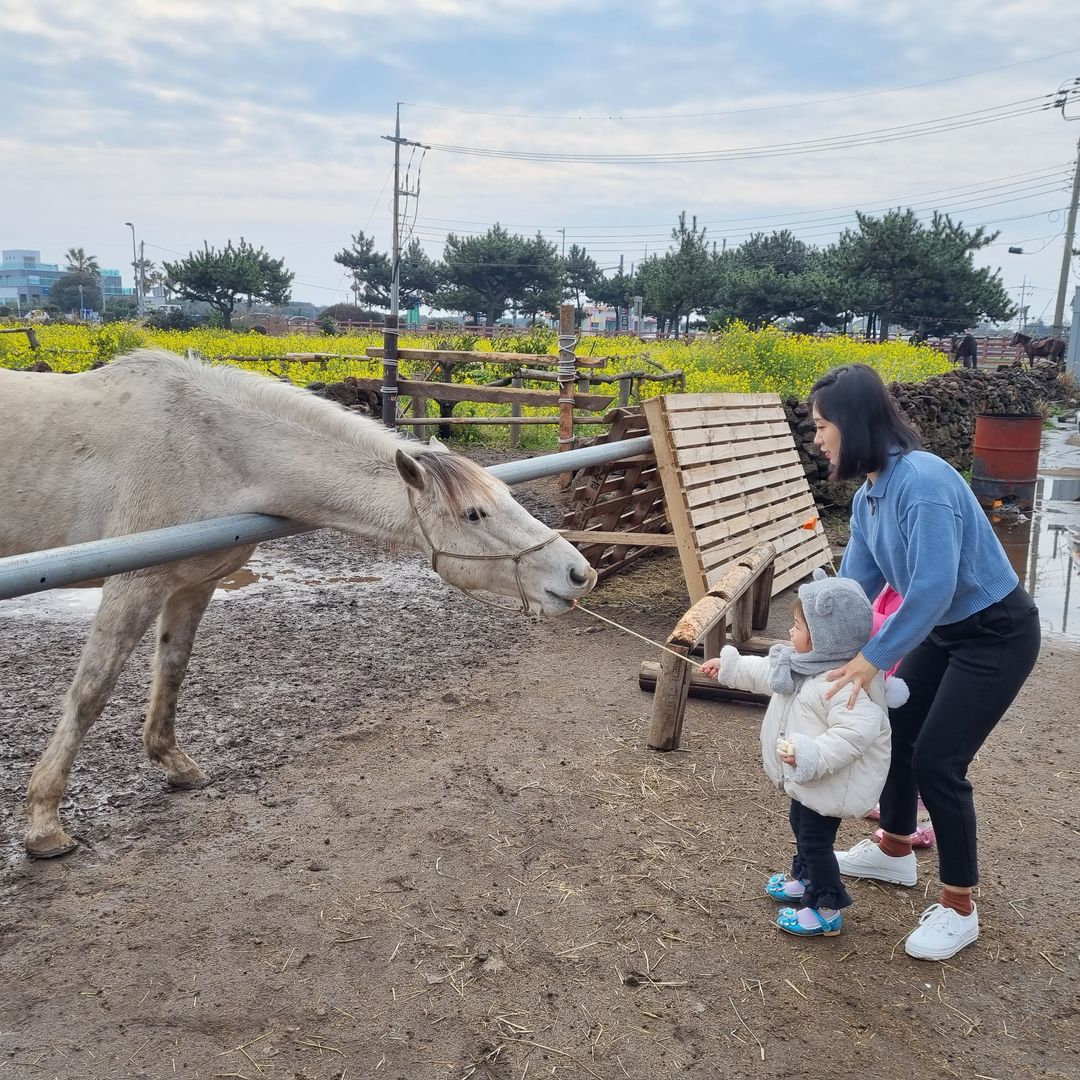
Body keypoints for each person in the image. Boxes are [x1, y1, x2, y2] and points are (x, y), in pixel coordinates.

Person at [809, 364, 1041, 961]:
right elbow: (855, 588)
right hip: (944, 631)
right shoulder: (870, 495)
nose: (816, 439)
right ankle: (892, 849)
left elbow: (933, 586)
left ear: (854, 423)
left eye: (822, 426)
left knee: (940, 760)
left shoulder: (924, 480)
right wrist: (812, 638)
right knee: (896, 731)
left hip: (995, 633)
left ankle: (960, 905)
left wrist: (872, 660)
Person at [701, 570, 906, 939]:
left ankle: (826, 906)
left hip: (829, 780)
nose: (790, 632)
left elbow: (856, 732)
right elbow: (766, 672)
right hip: (808, 781)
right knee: (801, 828)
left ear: (826, 637)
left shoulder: (842, 684)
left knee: (815, 840)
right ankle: (804, 877)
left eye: (797, 625)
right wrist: (729, 668)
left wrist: (812, 754)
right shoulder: (805, 666)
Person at [866, 585, 935, 849]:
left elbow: (898, 629)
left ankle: (925, 825)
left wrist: (863, 618)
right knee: (889, 750)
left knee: (914, 756)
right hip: (889, 680)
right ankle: (891, 807)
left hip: (910, 685)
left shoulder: (912, 592)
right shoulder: (887, 586)